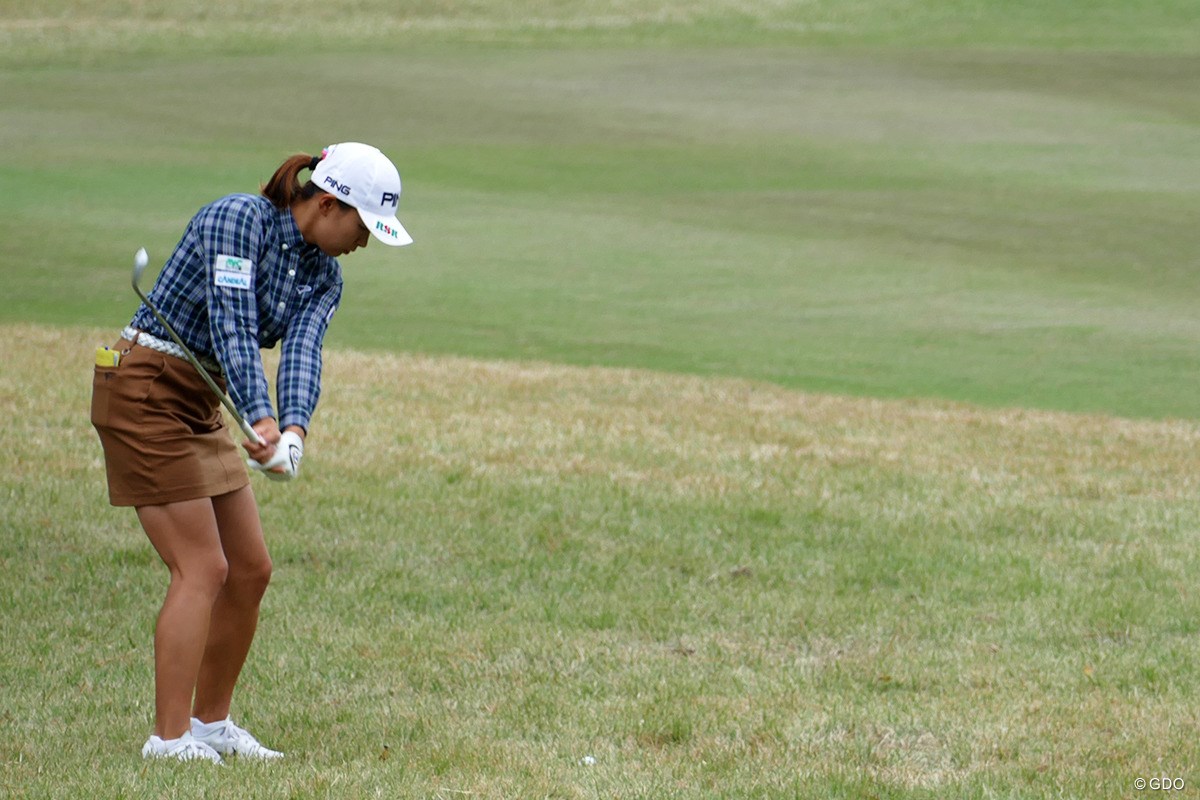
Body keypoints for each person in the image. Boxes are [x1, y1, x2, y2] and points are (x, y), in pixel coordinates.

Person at [90, 142, 412, 763]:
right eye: (364, 226)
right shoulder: (238, 219)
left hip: (201, 403)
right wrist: (259, 418)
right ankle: (169, 738)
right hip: (146, 390)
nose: (366, 243)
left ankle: (211, 725)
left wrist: (292, 432)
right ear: (327, 203)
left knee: (251, 568)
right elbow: (233, 324)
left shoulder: (326, 275)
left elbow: (304, 353)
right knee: (203, 567)